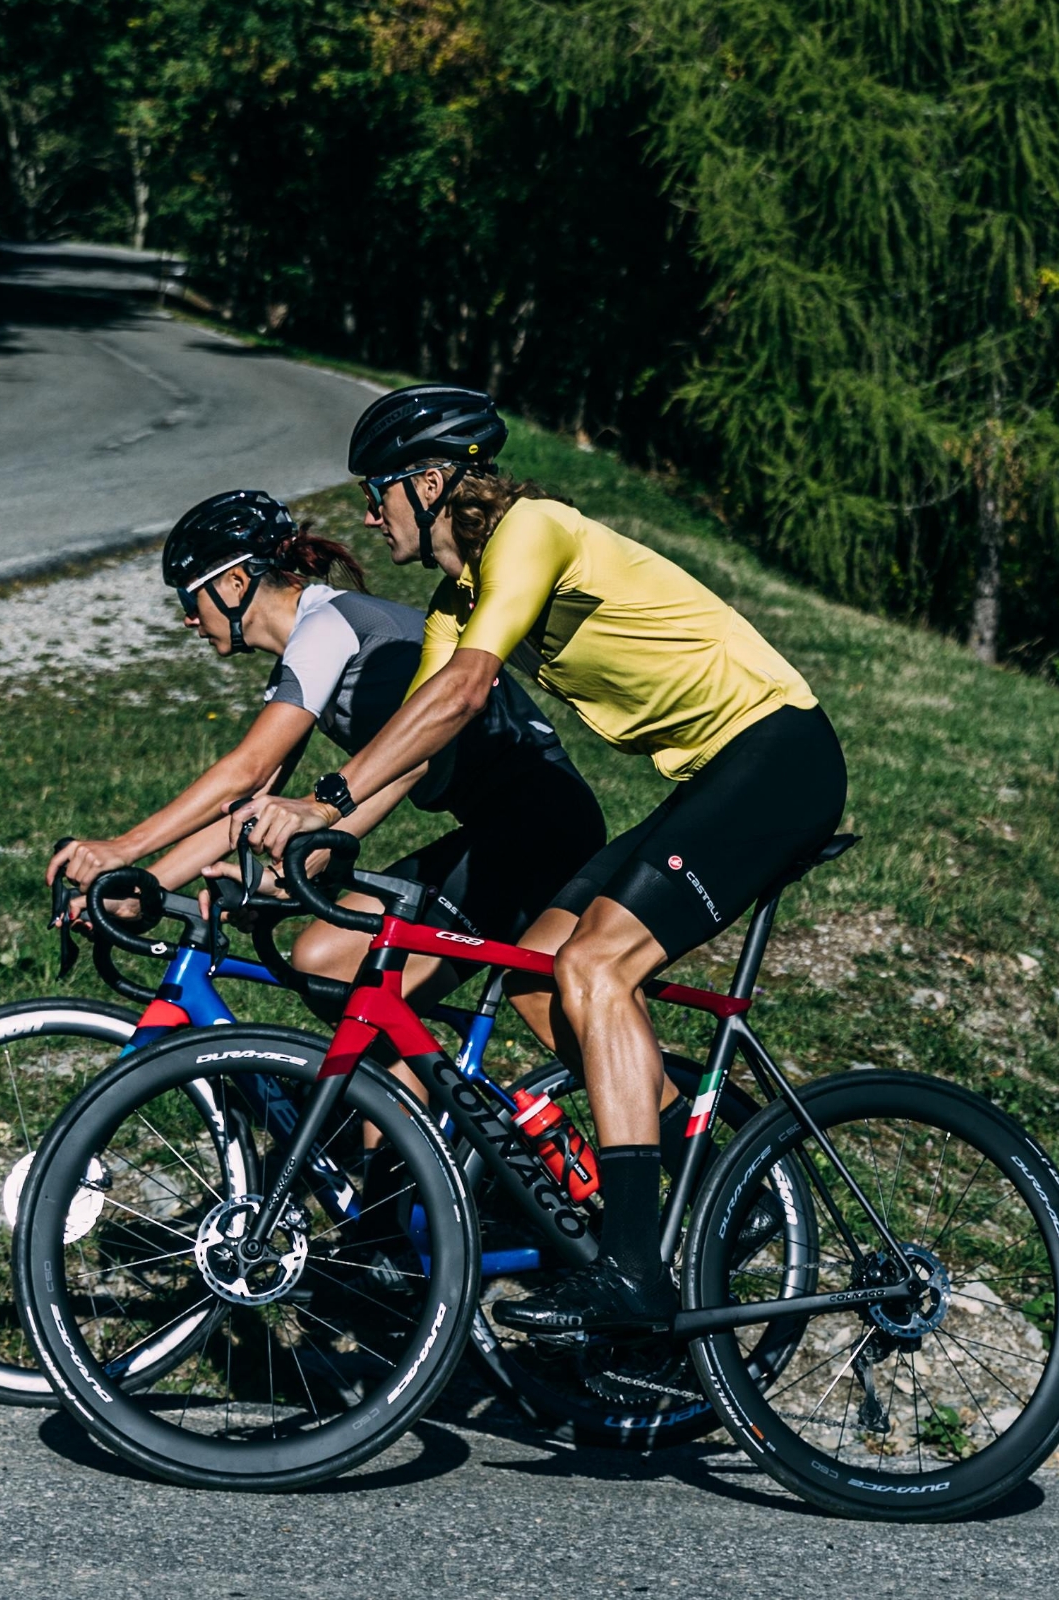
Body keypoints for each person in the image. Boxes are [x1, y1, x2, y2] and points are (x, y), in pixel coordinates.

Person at [245, 387, 848, 1337]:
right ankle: (694, 1173)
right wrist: (327, 839)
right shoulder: (455, 599)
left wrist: (324, 802)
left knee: (596, 964)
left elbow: (466, 688)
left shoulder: (533, 531)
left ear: (433, 482)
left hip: (778, 754)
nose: (369, 514)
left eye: (381, 490)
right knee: (538, 973)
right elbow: (426, 736)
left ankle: (638, 1269)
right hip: (710, 775)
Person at [47, 487, 605, 1000]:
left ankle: (398, 1112)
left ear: (235, 584)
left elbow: (253, 768)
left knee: (334, 967)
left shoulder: (329, 626)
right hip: (510, 826)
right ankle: (393, 1110)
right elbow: (240, 806)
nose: (190, 620)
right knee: (336, 971)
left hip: (538, 824)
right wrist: (144, 887)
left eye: (191, 600)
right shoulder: (315, 646)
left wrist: (123, 849)